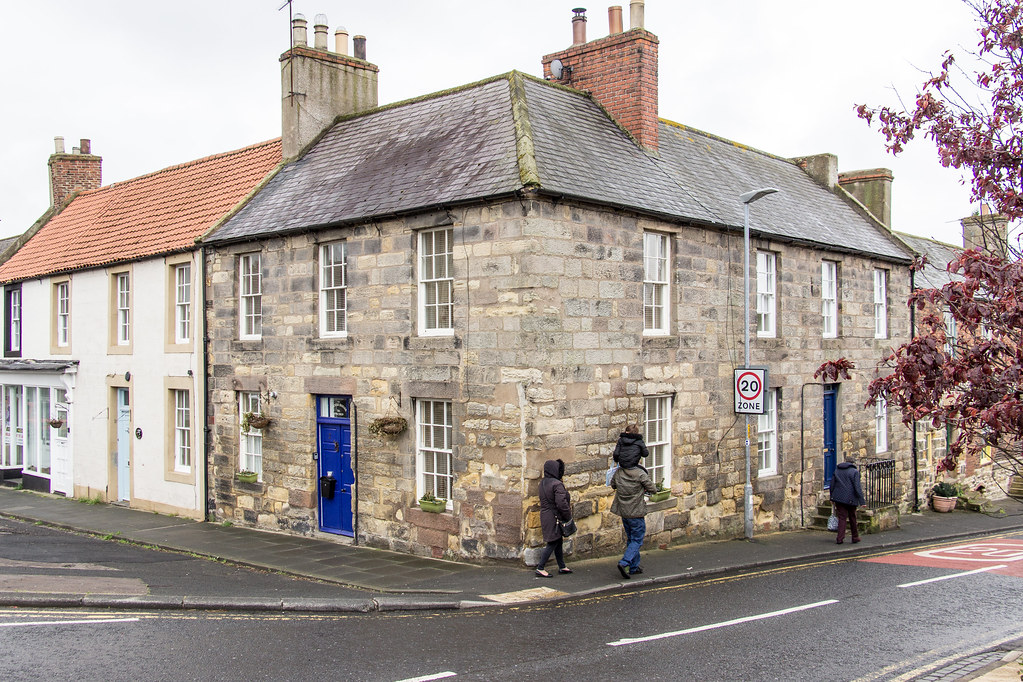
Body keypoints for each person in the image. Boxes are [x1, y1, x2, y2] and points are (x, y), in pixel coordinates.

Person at [611, 459, 657, 578]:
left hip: (624, 512)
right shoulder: (640, 474)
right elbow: (653, 489)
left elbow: (613, 485)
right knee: (637, 540)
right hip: (636, 513)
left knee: (631, 539)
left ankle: (633, 567)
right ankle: (624, 562)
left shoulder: (619, 472)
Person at [535, 458, 573, 577]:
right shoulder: (557, 484)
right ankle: (540, 567)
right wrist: (568, 516)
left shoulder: (543, 483)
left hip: (546, 515)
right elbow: (561, 503)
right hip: (554, 517)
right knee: (552, 542)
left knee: (558, 541)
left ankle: (562, 566)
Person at [830, 456, 865, 544]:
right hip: (850, 498)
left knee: (842, 518)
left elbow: (832, 485)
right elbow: (857, 487)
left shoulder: (837, 470)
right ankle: (855, 537)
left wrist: (832, 497)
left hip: (838, 497)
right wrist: (862, 501)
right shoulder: (854, 472)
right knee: (852, 517)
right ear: (853, 463)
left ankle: (840, 538)